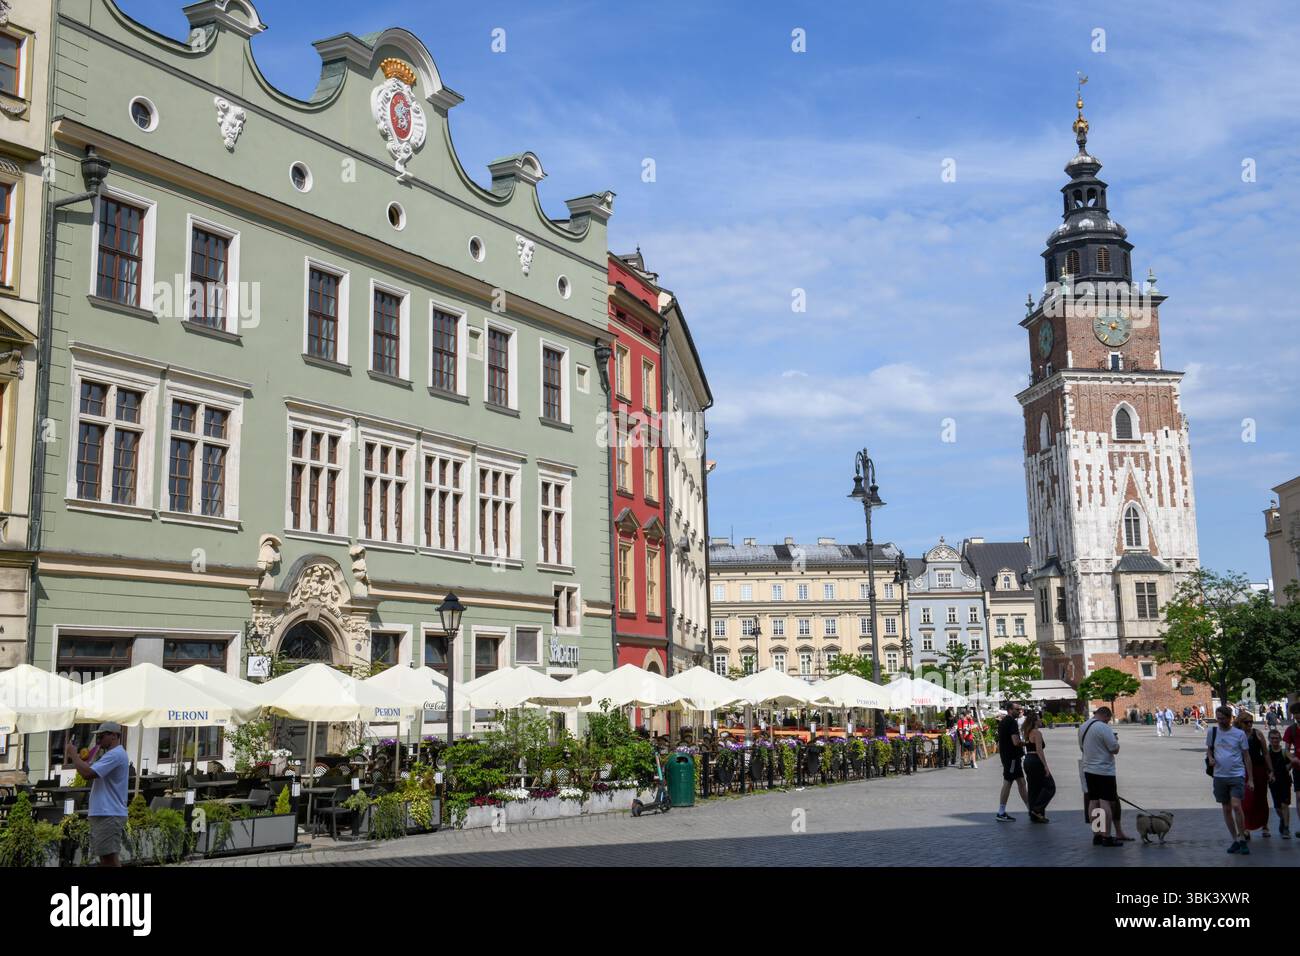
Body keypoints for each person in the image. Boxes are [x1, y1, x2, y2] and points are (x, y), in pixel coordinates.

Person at [63, 722, 130, 867]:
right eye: (98, 736)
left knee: (109, 859)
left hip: (109, 813)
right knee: (106, 858)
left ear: (113, 735)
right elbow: (89, 770)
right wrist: (83, 760)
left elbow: (87, 774)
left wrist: (73, 755)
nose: (99, 739)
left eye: (102, 735)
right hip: (106, 812)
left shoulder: (115, 755)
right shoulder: (112, 754)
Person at [1208, 705, 1254, 854]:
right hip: (1219, 775)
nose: (1219, 721)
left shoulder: (1239, 734)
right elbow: (1209, 749)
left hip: (1236, 774)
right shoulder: (1213, 732)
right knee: (1226, 808)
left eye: (1222, 718)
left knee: (1236, 806)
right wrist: (1210, 758)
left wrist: (1250, 778)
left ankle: (1242, 838)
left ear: (1229, 718)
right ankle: (1234, 839)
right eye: (1218, 718)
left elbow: (1247, 756)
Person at [1079, 706, 1125, 847]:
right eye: (1108, 719)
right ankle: (1107, 836)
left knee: (1093, 802)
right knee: (1105, 802)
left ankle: (1097, 835)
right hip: (1104, 770)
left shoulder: (1083, 727)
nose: (1108, 722)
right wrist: (1115, 740)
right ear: (1106, 716)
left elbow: (1081, 747)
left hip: (1088, 769)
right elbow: (1114, 749)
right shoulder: (1104, 728)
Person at [1238, 712, 1272, 838]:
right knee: (1246, 800)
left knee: (1261, 798)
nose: (1250, 724)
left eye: (1251, 722)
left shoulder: (1257, 733)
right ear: (1240, 722)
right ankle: (1246, 827)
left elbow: (1265, 753)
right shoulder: (1237, 734)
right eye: (1247, 722)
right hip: (1243, 770)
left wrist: (1270, 770)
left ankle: (1265, 825)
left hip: (1259, 769)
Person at [995, 702, 1028, 822]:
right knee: (1008, 781)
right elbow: (1015, 741)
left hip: (1009, 757)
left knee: (1021, 782)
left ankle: (1031, 809)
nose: (1019, 710)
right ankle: (1001, 812)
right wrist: (1027, 743)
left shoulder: (1003, 721)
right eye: (1016, 709)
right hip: (1012, 758)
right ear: (1009, 710)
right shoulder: (1012, 722)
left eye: (1020, 709)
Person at [1021, 710, 1055, 823]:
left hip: (1027, 761)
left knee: (1033, 788)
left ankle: (1035, 815)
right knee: (1050, 786)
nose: (1041, 720)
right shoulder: (1037, 733)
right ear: (1035, 721)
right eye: (1039, 718)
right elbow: (1039, 750)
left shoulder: (1027, 732)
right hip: (1035, 760)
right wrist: (1046, 766)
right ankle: (1037, 809)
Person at [1267, 729, 1291, 838]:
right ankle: (1282, 819)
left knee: (1284, 805)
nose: (1275, 740)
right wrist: (1269, 774)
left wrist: (1289, 766)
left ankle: (1286, 828)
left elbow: (1293, 760)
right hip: (1273, 783)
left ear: (1280, 739)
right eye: (1272, 738)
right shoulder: (1267, 752)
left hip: (1285, 781)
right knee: (1277, 807)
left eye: (1276, 738)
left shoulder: (1284, 752)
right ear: (1269, 739)